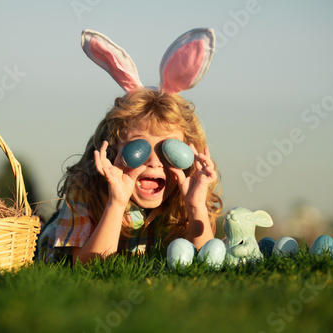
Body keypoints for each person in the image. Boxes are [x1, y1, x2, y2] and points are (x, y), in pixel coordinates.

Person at [37, 28, 222, 264]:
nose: (154, 162)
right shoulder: (86, 187)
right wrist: (116, 202)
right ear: (114, 149)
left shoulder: (186, 195)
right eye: (141, 147)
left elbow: (207, 263)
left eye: (169, 150)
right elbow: (87, 267)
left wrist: (195, 206)